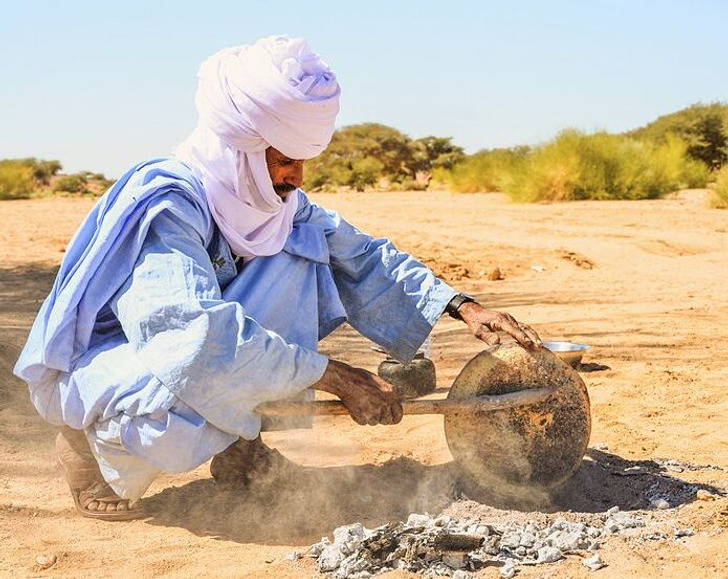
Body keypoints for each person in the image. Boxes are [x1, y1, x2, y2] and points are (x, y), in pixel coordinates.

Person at [14, 35, 541, 521]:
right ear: (239, 150)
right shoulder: (169, 208)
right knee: (170, 418)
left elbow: (365, 257)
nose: (296, 177)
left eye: (302, 161)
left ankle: (241, 449)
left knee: (301, 254)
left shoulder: (280, 210)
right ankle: (90, 449)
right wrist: (332, 375)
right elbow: (194, 337)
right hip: (129, 359)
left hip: (201, 350)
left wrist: (465, 307)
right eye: (284, 160)